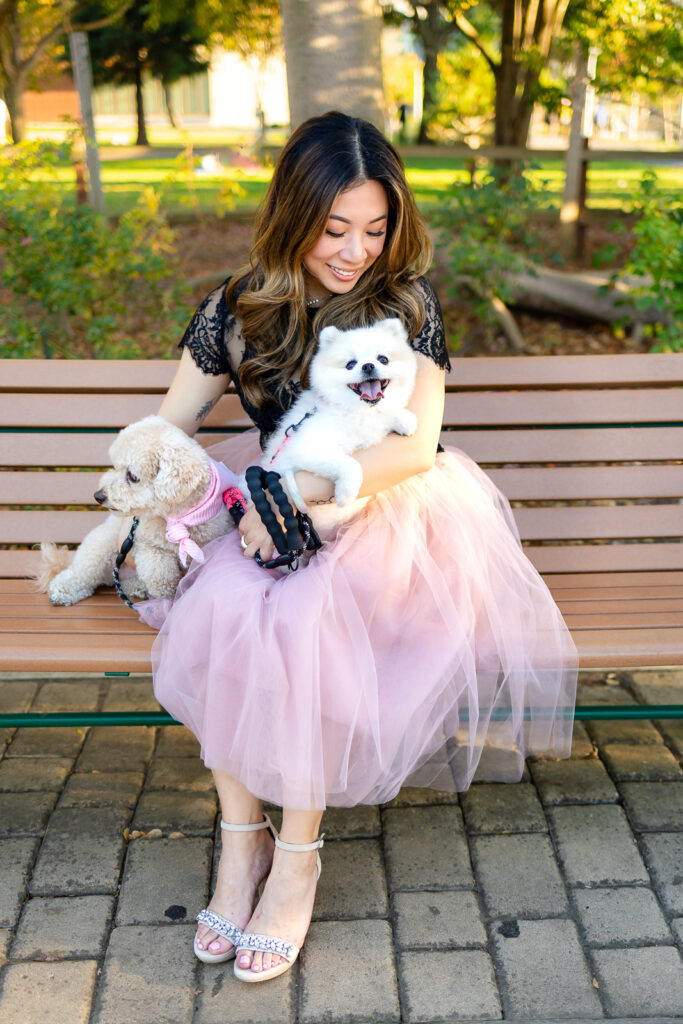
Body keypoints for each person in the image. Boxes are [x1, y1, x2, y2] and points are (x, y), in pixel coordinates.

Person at [139, 110, 577, 982]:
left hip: (388, 511)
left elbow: (413, 449)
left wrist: (290, 494)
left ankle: (297, 857)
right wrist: (147, 501)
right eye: (335, 229)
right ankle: (241, 843)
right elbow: (169, 428)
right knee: (223, 605)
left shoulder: (404, 300)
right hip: (271, 504)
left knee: (299, 621)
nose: (354, 250)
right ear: (294, 216)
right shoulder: (235, 307)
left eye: (374, 229)